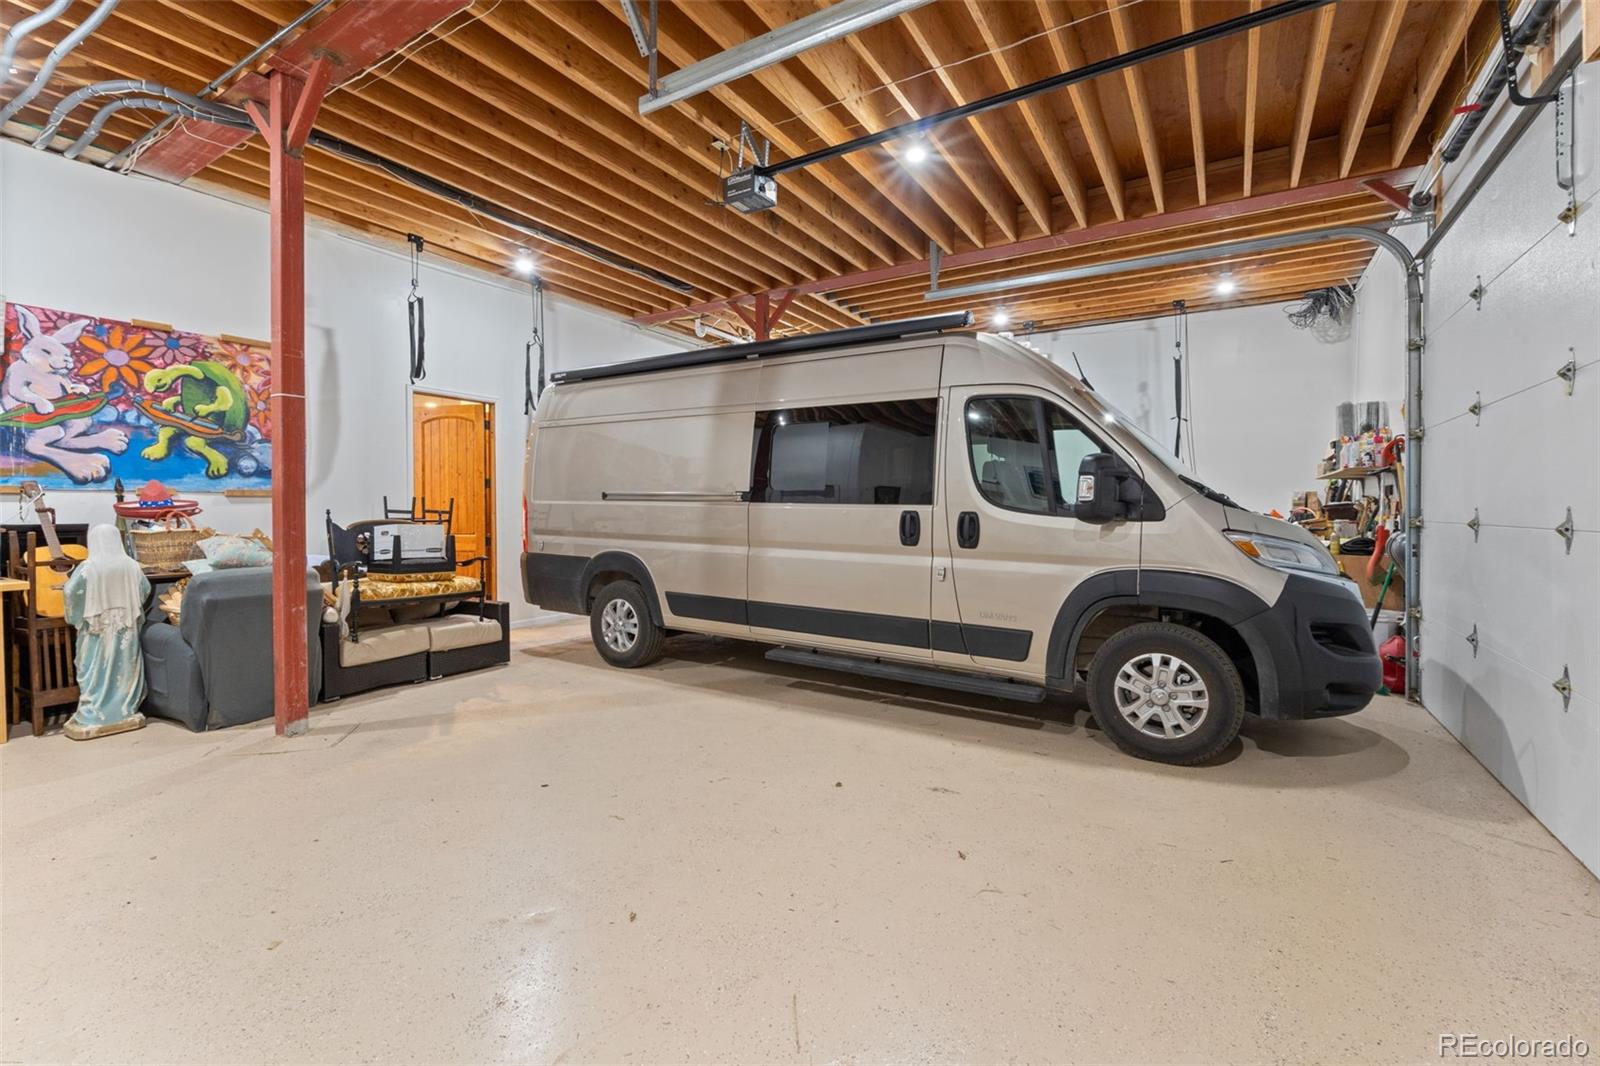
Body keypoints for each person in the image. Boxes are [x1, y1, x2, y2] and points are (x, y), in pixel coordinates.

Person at [61, 525, 150, 740]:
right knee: (125, 667)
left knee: (93, 669)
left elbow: (71, 592)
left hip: (97, 628)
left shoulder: (88, 567)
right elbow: (145, 590)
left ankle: (95, 712)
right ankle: (124, 709)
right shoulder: (132, 565)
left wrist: (77, 616)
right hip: (126, 627)